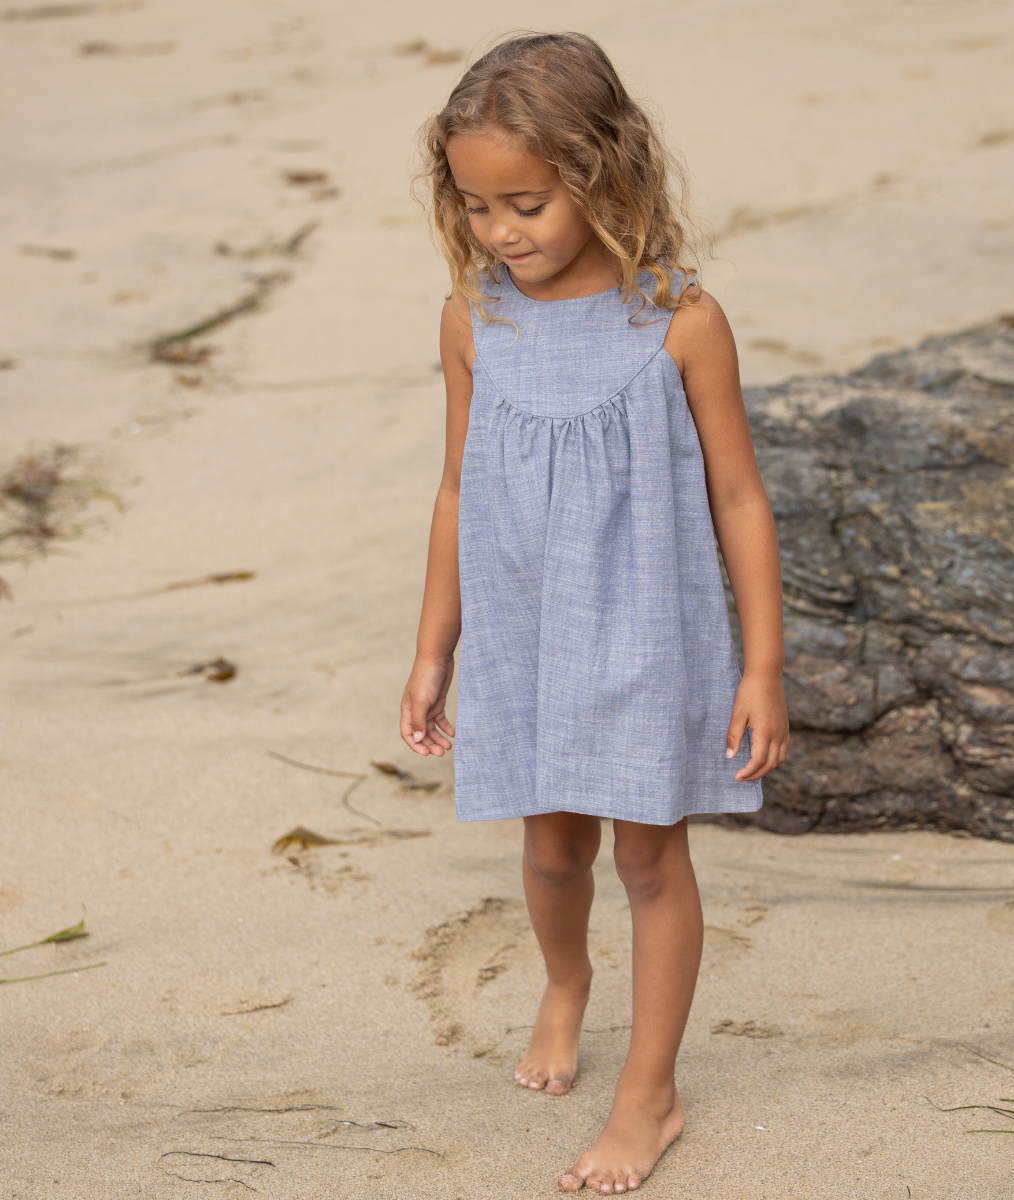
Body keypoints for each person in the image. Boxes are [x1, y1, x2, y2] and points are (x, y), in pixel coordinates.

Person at [400, 31, 789, 1195]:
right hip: (526, 633)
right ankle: (565, 984)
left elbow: (739, 496)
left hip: (649, 635)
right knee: (552, 848)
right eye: (476, 207)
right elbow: (458, 486)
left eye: (525, 201)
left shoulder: (681, 320)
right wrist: (434, 647)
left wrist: (761, 668)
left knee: (651, 860)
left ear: (602, 173)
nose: (501, 231)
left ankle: (650, 1091)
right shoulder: (475, 321)